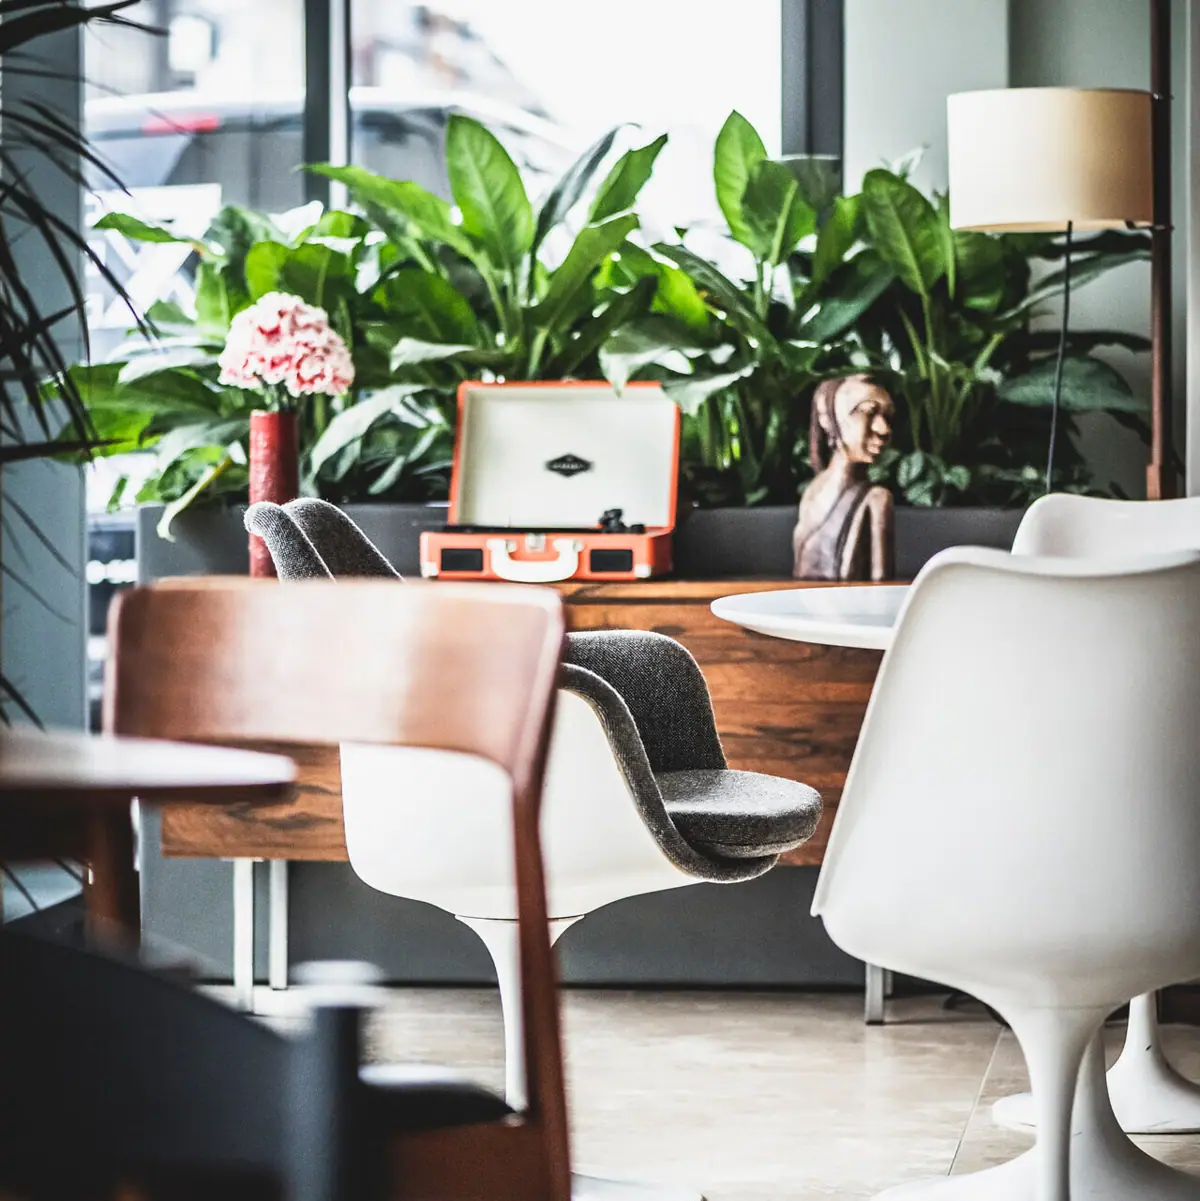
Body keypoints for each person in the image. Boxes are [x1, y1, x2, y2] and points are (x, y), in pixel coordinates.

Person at [793, 374, 895, 581]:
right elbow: (883, 588)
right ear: (828, 420)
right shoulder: (877, 499)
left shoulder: (813, 490)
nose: (884, 429)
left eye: (887, 416)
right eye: (868, 412)